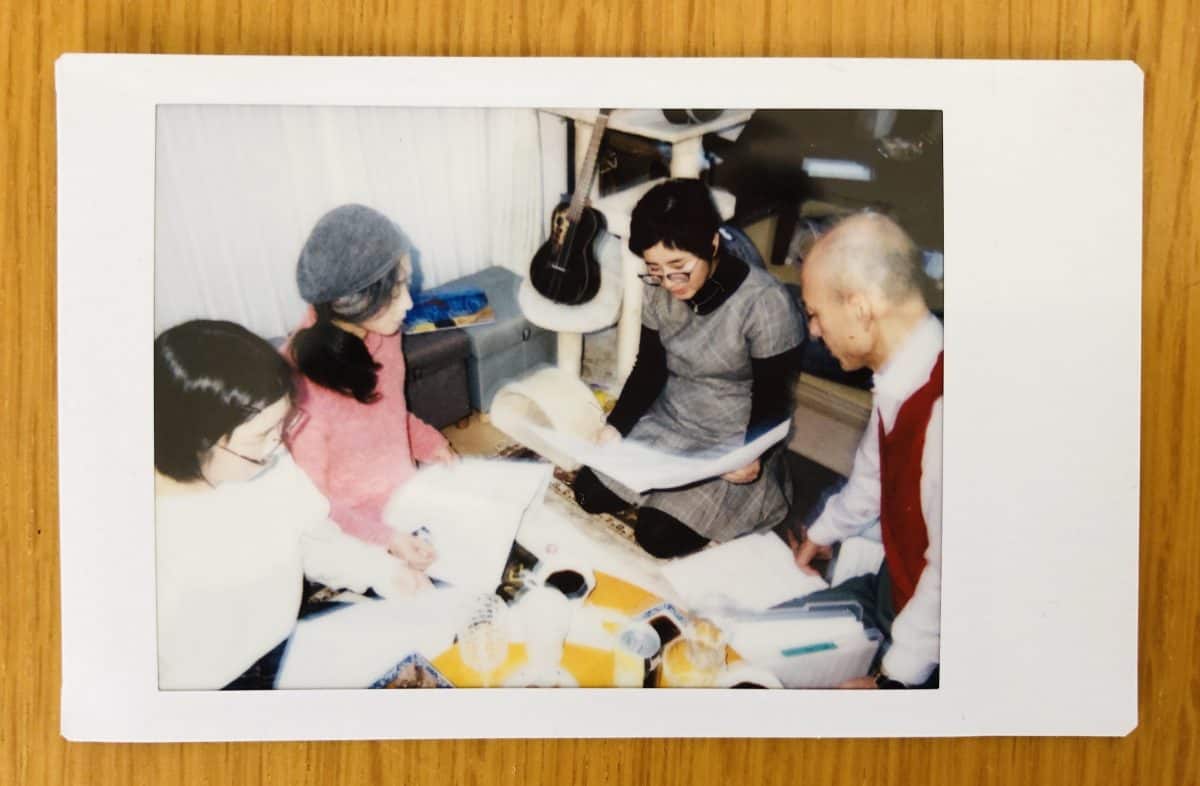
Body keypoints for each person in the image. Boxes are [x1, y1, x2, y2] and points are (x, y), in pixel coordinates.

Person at [154, 320, 430, 691]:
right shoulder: (152, 532)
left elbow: (311, 536)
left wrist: (382, 571)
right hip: (213, 688)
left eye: (281, 426)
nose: (277, 444)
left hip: (288, 640)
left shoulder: (266, 459)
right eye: (262, 435)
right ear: (197, 441)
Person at [570, 179, 804, 558]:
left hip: (731, 437)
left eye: (679, 267)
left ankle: (756, 497)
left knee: (657, 536)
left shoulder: (765, 302)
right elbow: (649, 368)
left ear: (711, 243)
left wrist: (751, 456)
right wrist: (617, 426)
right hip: (674, 419)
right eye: (655, 269)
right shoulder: (658, 286)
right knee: (588, 492)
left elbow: (773, 400)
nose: (668, 282)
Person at [788, 212, 942, 690]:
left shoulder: (948, 410)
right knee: (762, 634)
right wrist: (824, 531)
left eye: (815, 313)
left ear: (859, 307)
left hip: (937, 635)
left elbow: (956, 575)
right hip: (894, 586)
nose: (814, 330)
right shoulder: (904, 372)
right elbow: (873, 478)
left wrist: (891, 682)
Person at [284, 204, 457, 562]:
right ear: (354, 301)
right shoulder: (299, 388)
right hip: (350, 539)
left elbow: (387, 412)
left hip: (407, 503)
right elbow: (310, 505)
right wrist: (385, 539)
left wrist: (430, 444)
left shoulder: (383, 332)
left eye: (407, 283)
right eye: (395, 292)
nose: (408, 303)